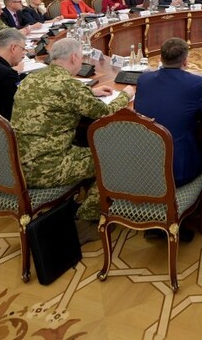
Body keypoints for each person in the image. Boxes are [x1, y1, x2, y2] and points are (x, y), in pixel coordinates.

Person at [12, 38, 134, 221]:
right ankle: (88, 215)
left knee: (87, 145)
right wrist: (125, 95)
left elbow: (57, 96)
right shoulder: (70, 86)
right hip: (47, 169)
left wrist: (90, 92)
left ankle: (85, 201)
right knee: (114, 159)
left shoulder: (31, 78)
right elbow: (106, 113)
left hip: (19, 164)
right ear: (74, 57)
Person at [134, 38, 202, 186]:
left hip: (144, 167)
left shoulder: (143, 80)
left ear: (161, 59)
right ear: (185, 61)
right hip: (178, 172)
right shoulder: (196, 83)